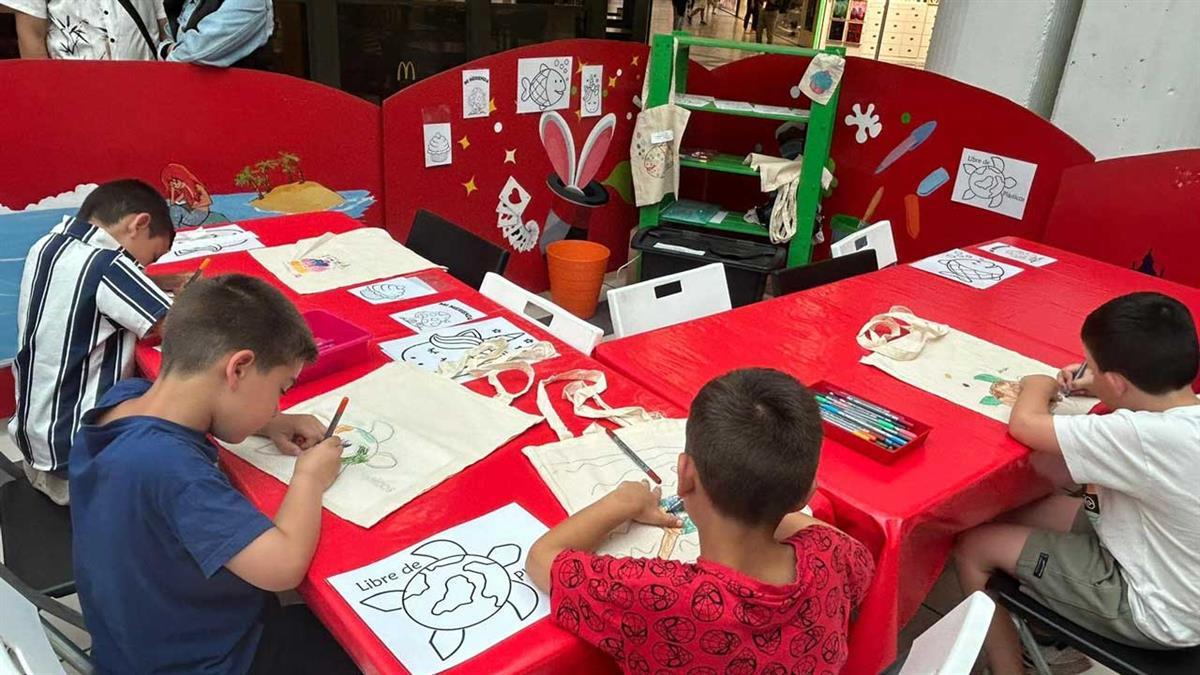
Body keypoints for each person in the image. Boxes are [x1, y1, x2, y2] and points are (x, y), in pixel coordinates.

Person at [70, 274, 358, 674]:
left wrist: (264, 424)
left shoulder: (126, 399)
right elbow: (282, 566)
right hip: (210, 661)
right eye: (281, 389)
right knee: (359, 644)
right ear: (238, 369)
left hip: (135, 642)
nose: (277, 406)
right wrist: (308, 478)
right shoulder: (168, 467)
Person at [526, 368, 875, 673]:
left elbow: (542, 559)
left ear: (685, 475)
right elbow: (826, 536)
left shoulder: (658, 595)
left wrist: (621, 502)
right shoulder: (835, 555)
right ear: (805, 494)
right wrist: (775, 498)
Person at [955, 292, 1200, 675]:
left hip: (1153, 609)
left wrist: (1037, 383)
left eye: (1091, 365)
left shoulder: (1140, 436)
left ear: (1118, 383)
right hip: (1168, 565)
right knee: (1010, 509)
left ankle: (1008, 669)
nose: (1084, 369)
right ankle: (1045, 632)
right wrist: (1102, 386)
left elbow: (1026, 425)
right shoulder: (1182, 415)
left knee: (974, 545)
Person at [9, 180, 181, 504]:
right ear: (139, 224)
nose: (145, 267)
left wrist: (158, 283)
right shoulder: (110, 265)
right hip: (76, 461)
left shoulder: (49, 244)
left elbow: (86, 288)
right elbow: (180, 327)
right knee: (183, 432)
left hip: (35, 441)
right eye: (152, 256)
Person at [4, 0, 169, 60]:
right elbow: (32, 38)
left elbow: (162, 22)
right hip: (74, 93)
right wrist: (46, 99)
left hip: (143, 85)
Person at [163, 0, 274, 68]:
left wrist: (168, 49)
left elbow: (195, 52)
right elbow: (169, 33)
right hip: (197, 95)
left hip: (238, 98)